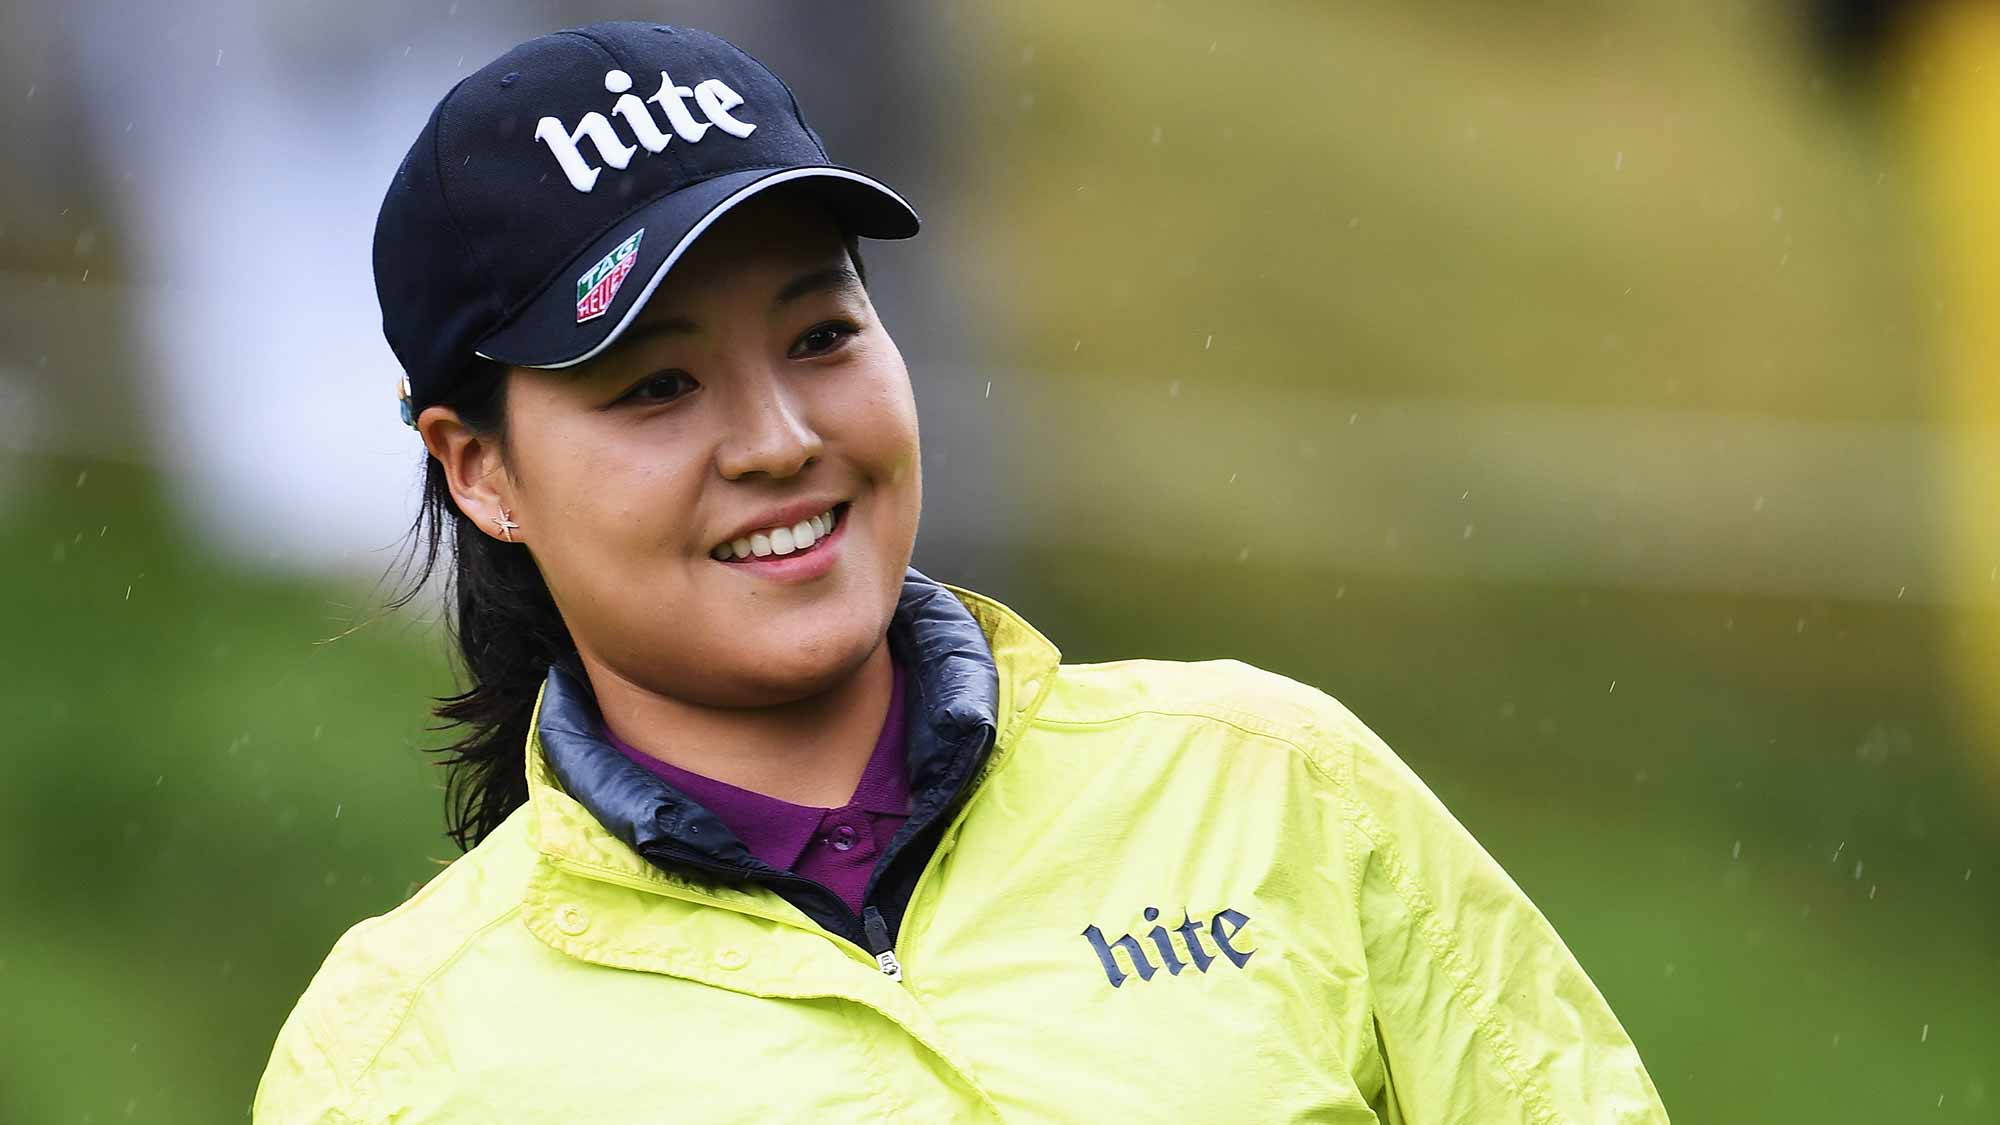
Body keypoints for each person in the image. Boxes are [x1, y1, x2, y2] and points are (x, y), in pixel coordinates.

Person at [255, 21, 1668, 1123]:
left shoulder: (1271, 784)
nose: (781, 439)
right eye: (657, 386)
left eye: (821, 336)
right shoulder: (393, 1054)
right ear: (478, 468)